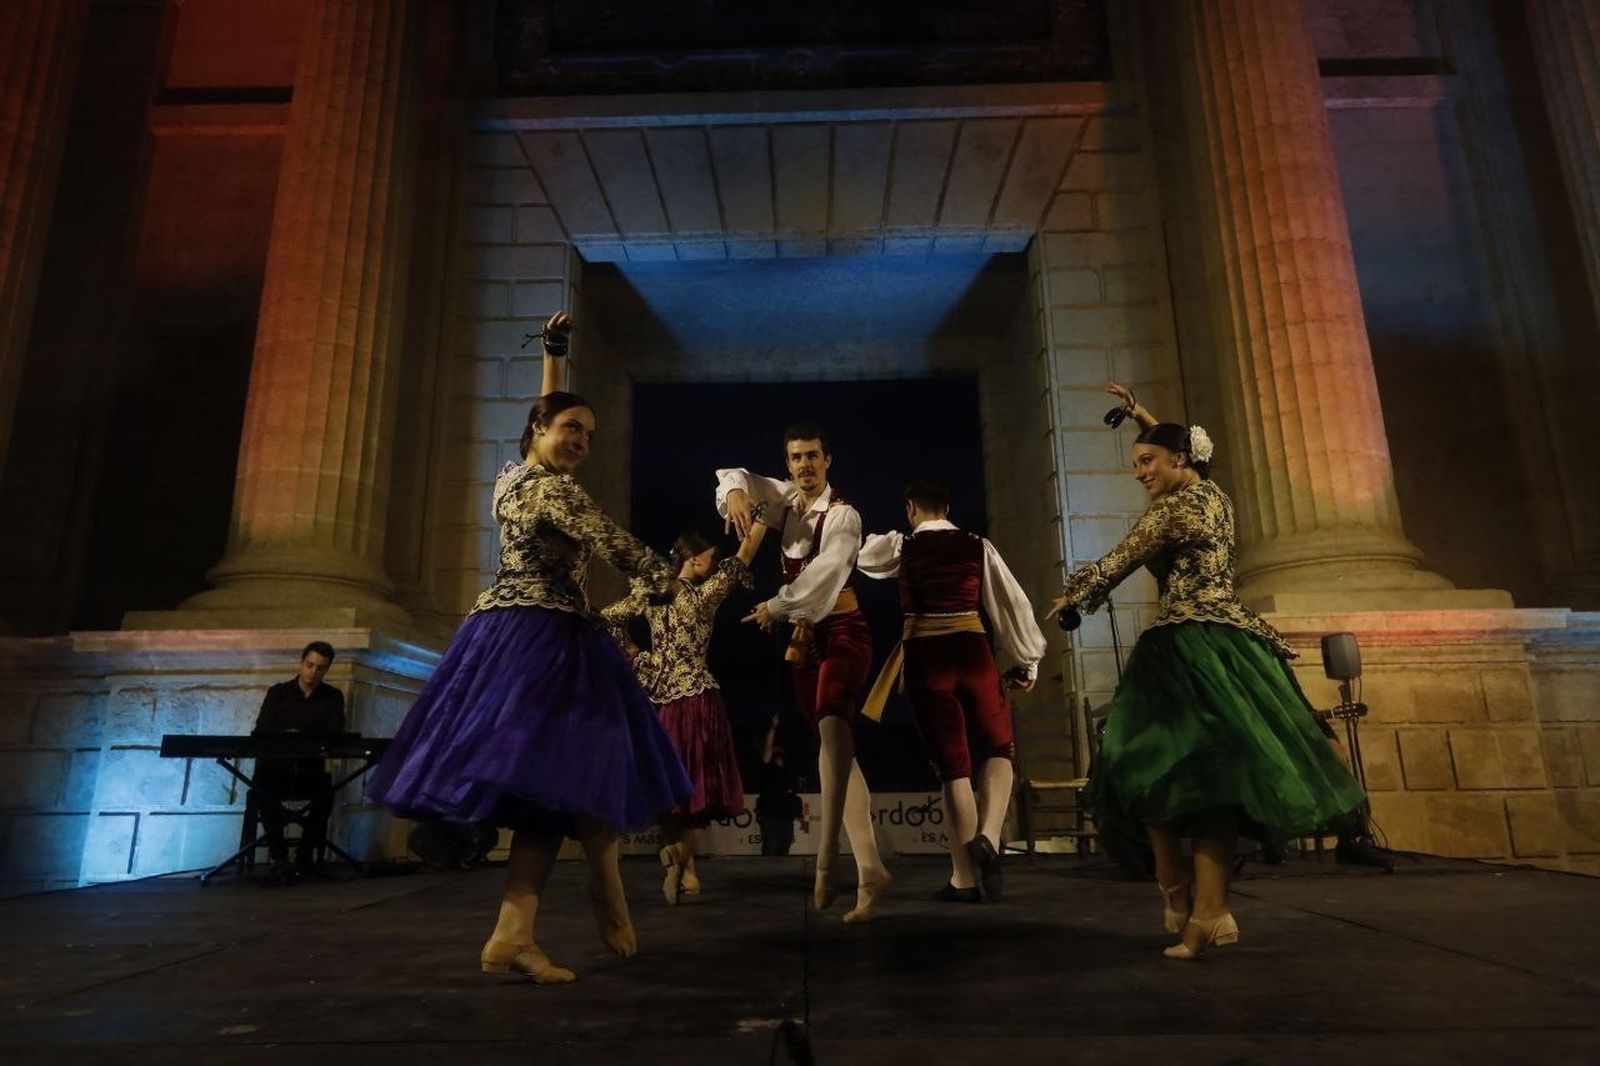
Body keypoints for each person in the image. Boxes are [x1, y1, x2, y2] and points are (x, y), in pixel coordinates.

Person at [369, 310, 691, 984]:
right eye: (571, 429)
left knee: (549, 784)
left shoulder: (508, 479)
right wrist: (668, 581)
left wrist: (553, 352)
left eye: (590, 435)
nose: (582, 441)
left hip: (505, 631)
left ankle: (512, 936)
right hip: (545, 638)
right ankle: (604, 883)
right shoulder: (554, 490)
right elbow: (614, 541)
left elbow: (544, 412)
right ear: (539, 433)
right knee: (590, 760)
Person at [1044, 383, 1367, 960]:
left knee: (1182, 775)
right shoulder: (1212, 493)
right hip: (1224, 642)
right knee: (1171, 776)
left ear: (1178, 461)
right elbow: (1182, 447)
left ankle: (1203, 908)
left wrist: (1074, 595)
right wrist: (1146, 416)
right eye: (1136, 462)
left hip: (1195, 646)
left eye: (1147, 462)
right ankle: (1188, 897)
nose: (1139, 472)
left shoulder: (1176, 508)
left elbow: (1126, 553)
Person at [718, 424, 892, 922]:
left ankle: (825, 858)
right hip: (802, 638)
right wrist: (733, 493)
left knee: (836, 734)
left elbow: (827, 573)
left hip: (843, 629)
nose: (803, 466)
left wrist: (776, 604)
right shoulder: (784, 501)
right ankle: (871, 868)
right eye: (796, 458)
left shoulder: (843, 515)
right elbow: (735, 475)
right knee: (834, 753)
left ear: (828, 461)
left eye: (812, 457)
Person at [856, 480, 1046, 903]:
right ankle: (991, 838)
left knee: (954, 768)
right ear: (947, 507)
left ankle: (965, 880)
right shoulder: (978, 546)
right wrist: (1028, 659)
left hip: (927, 660)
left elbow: (859, 555)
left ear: (910, 508)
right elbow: (1010, 604)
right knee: (1000, 748)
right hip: (973, 653)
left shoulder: (901, 548)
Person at [600, 521, 770, 905]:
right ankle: (678, 857)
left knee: (669, 790)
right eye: (709, 559)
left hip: (659, 701)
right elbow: (742, 558)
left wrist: (634, 654)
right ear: (692, 562)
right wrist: (762, 521)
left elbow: (606, 618)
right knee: (700, 788)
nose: (713, 564)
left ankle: (685, 871)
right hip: (696, 698)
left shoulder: (649, 597)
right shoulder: (702, 597)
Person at [251, 640, 345, 881]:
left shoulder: (333, 697)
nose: (313, 672)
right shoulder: (278, 693)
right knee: (263, 787)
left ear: (327, 669)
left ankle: (304, 857)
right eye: (310, 665)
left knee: (325, 793)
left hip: (309, 770)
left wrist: (307, 738)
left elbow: (336, 734)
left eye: (320, 668)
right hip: (277, 769)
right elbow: (262, 729)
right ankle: (279, 856)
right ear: (302, 663)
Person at [755, 712, 804, 856]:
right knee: (771, 849)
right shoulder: (768, 768)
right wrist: (773, 727)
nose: (776, 749)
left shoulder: (788, 771)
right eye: (774, 749)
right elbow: (768, 746)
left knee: (784, 850)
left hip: (786, 818)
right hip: (770, 817)